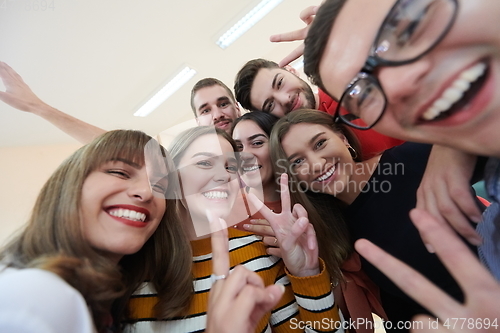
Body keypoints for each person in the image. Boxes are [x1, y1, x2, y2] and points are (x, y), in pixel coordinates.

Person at [269, 109, 482, 331]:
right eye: (297, 162)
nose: (315, 164)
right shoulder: (329, 233)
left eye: (320, 143)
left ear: (342, 138)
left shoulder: (409, 161)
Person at [125, 126, 343, 333]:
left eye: (230, 167)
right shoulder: (132, 267)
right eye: (204, 163)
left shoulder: (259, 252)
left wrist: (308, 274)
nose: (223, 176)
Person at [0, 129, 193, 333]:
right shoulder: (34, 295)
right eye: (120, 173)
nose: (146, 192)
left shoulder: (105, 303)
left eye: (160, 185)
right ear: (69, 185)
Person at [232, 111, 387, 333]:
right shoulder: (233, 218)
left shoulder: (322, 199)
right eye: (237, 148)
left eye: (257, 142)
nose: (245, 154)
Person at [0, 63, 239, 145]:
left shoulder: (267, 141)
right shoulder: (192, 166)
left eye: (223, 104)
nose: (217, 114)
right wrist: (38, 107)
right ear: (198, 122)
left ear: (237, 107)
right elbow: (119, 147)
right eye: (206, 110)